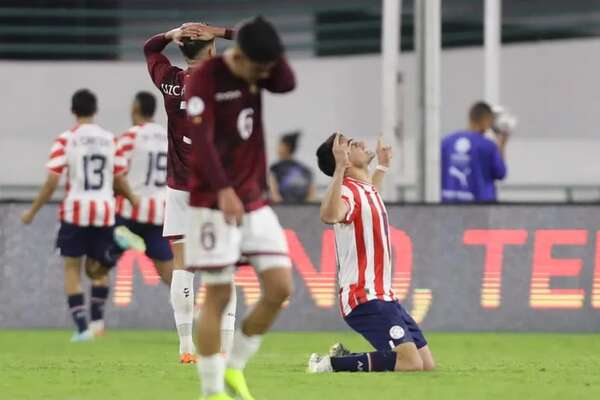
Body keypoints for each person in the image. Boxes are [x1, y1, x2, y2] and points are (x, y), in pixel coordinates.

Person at [184, 16, 295, 400]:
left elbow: (287, 82)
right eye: (259, 66)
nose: (265, 75)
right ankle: (211, 390)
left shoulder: (258, 70)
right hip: (213, 203)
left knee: (280, 288)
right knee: (219, 293)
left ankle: (235, 368)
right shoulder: (205, 79)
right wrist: (224, 190)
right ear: (242, 57)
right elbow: (200, 143)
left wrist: (235, 36)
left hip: (254, 200)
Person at [143, 22, 237, 364]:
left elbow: (149, 49)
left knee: (183, 266)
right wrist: (222, 31)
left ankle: (186, 348)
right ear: (212, 51)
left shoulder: (170, 81)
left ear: (183, 50)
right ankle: (224, 349)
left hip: (180, 187)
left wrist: (170, 34)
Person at [20, 89, 144, 342]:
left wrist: (32, 211)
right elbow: (119, 177)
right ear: (95, 110)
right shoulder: (110, 139)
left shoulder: (67, 139)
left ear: (73, 111)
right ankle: (98, 320)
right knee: (98, 270)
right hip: (104, 210)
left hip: (76, 210)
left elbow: (53, 180)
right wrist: (132, 199)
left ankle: (82, 328)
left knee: (72, 268)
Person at [308, 132, 435, 374]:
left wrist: (383, 166)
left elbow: (370, 194)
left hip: (384, 297)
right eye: (352, 145)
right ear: (343, 159)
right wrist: (338, 169)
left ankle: (345, 357)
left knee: (426, 365)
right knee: (410, 364)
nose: (361, 144)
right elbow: (328, 215)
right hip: (364, 296)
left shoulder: (364, 189)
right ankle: (327, 365)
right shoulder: (345, 191)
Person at [115, 92, 173, 284]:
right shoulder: (169, 137)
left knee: (97, 266)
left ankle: (124, 241)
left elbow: (116, 174)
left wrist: (128, 195)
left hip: (129, 212)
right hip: (159, 213)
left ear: (135, 109)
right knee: (168, 272)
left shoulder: (130, 137)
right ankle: (189, 311)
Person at [441, 101, 511, 203]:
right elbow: (501, 173)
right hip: (479, 208)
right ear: (486, 120)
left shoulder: (446, 142)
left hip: (448, 204)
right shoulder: (488, 145)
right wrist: (502, 145)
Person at [269, 131, 316, 203]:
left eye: (280, 145)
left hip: (285, 209)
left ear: (286, 147)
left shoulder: (275, 169)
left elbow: (275, 196)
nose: (277, 148)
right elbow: (311, 197)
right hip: (302, 210)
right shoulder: (305, 169)